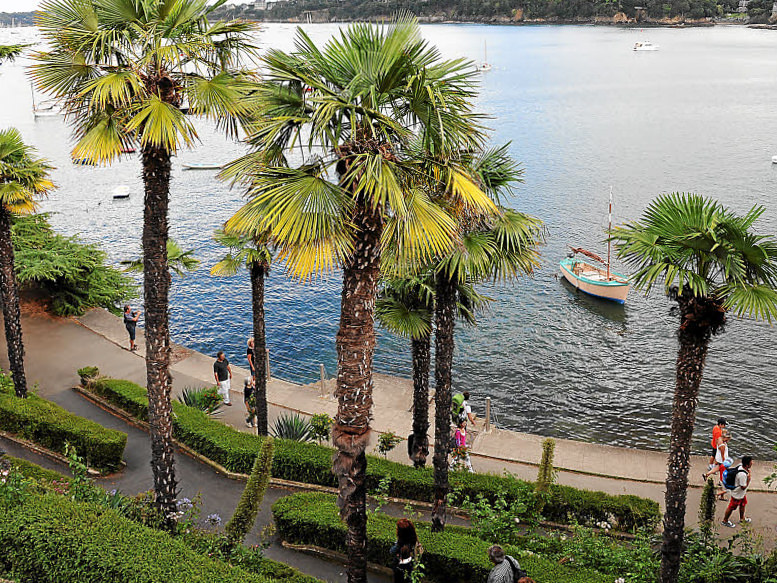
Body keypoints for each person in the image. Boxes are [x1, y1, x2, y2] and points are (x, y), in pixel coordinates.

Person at [722, 455, 753, 528]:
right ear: (747, 465)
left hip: (741, 494)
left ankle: (742, 518)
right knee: (731, 507)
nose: (752, 464)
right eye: (751, 463)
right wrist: (749, 479)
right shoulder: (742, 475)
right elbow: (743, 487)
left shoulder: (740, 467)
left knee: (743, 504)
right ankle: (725, 520)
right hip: (737, 495)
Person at [389, 519, 422, 583]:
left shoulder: (400, 545)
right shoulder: (414, 542)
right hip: (411, 570)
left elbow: (391, 551)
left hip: (401, 570)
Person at [703, 429, 732, 500]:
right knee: (724, 477)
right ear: (725, 438)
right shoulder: (722, 446)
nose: (729, 440)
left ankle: (706, 474)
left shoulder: (719, 439)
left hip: (719, 460)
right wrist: (725, 462)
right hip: (723, 462)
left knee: (717, 468)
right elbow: (723, 455)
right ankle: (720, 494)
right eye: (728, 439)